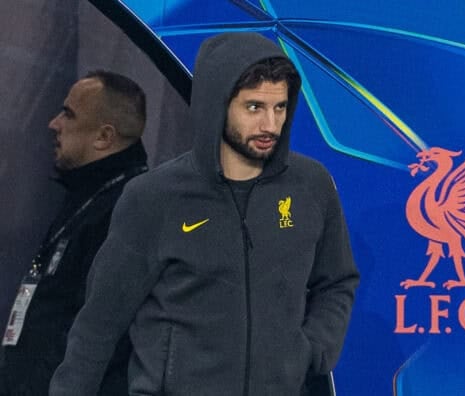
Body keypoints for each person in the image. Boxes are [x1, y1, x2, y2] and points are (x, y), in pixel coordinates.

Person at [49, 32, 359, 396]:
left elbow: (337, 281)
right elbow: (98, 326)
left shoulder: (311, 186)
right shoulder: (154, 197)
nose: (270, 126)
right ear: (217, 105)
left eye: (280, 108)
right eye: (254, 107)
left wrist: (311, 350)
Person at [0, 70, 148, 396]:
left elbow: (95, 333)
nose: (54, 123)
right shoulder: (84, 195)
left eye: (68, 114)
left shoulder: (126, 211)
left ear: (104, 137)